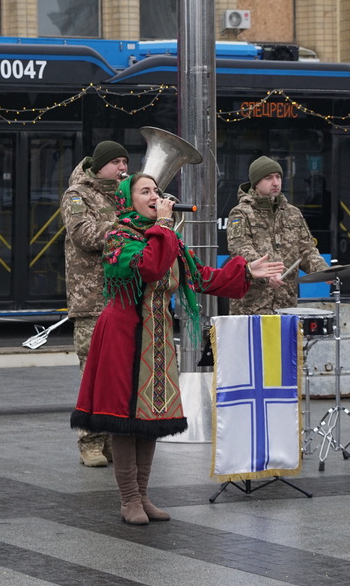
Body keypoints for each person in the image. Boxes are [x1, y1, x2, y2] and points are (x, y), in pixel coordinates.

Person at [71, 173, 283, 524]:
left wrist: (246, 270)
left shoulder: (167, 237)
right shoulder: (118, 236)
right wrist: (166, 224)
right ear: (127, 200)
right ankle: (128, 500)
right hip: (123, 334)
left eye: (157, 190)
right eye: (146, 191)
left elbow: (200, 278)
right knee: (123, 418)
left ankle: (142, 495)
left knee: (151, 416)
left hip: (156, 335)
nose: (156, 196)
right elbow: (150, 267)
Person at [61, 140, 129, 468]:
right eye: (116, 162)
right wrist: (127, 227)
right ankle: (90, 442)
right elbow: (84, 234)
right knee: (92, 373)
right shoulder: (77, 195)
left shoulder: (126, 193)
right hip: (91, 300)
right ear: (99, 165)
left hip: (125, 295)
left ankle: (115, 439)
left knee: (119, 374)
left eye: (124, 161)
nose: (122, 168)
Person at [227, 155, 329, 315]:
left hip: (286, 304)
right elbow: (240, 247)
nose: (275, 182)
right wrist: (267, 274)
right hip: (252, 306)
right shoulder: (241, 213)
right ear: (256, 183)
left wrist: (324, 271)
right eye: (268, 178)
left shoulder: (293, 213)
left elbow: (307, 250)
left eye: (278, 177)